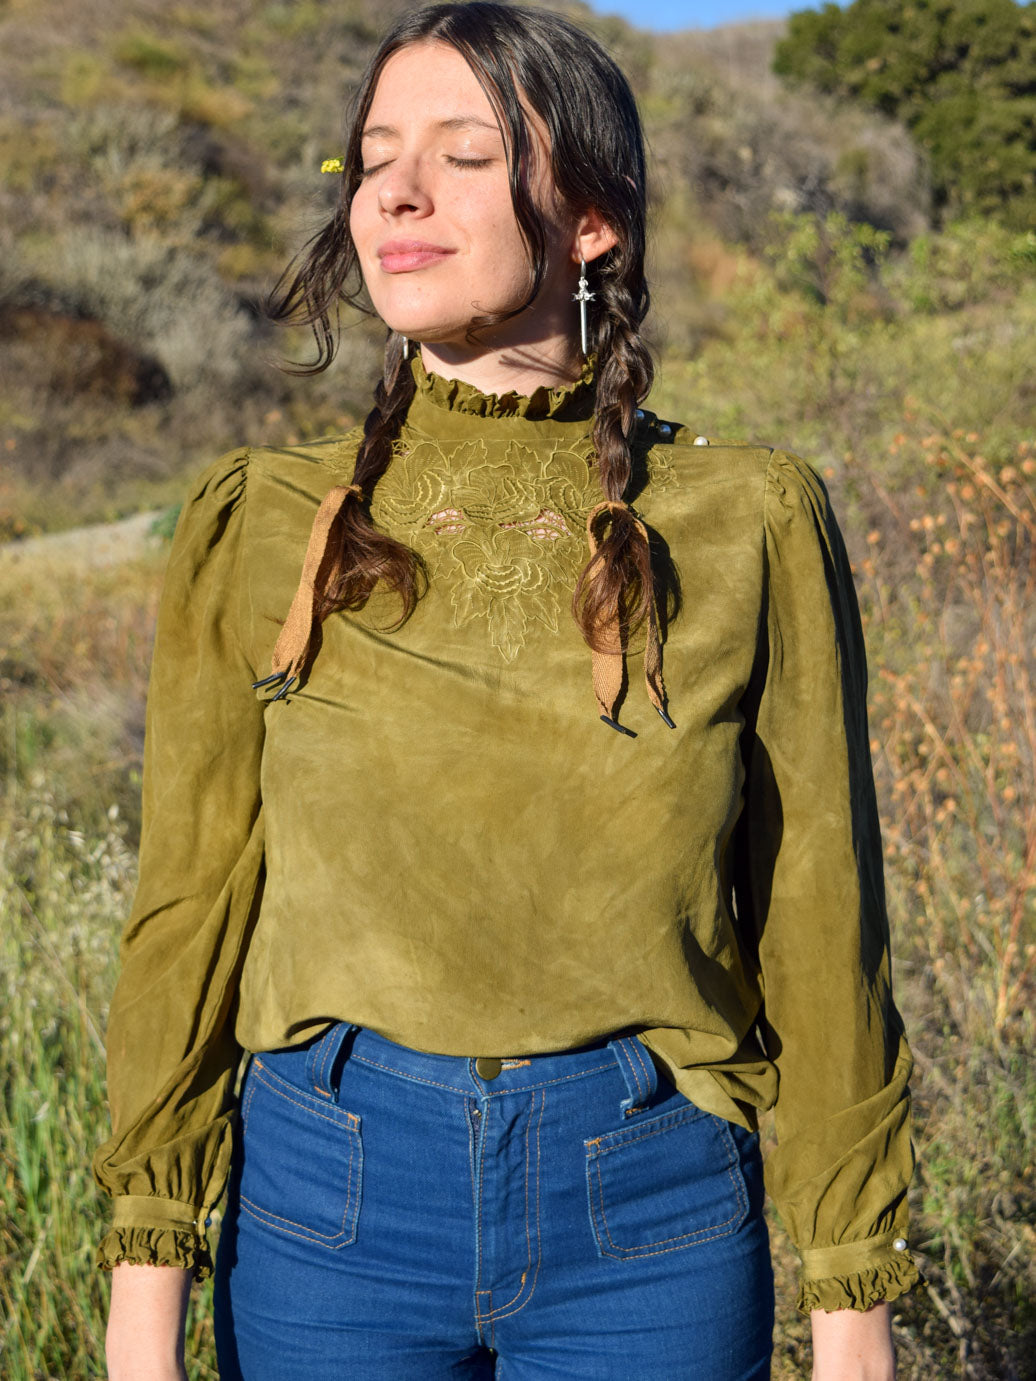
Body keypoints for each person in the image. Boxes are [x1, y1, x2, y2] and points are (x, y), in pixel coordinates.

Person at [95, 4, 919, 1378]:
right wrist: (144, 1303)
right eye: (375, 157)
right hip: (328, 1206)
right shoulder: (262, 520)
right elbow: (187, 910)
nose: (399, 193)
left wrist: (851, 1310)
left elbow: (824, 925)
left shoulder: (743, 518)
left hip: (651, 1210)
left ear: (588, 215)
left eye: (466, 154)